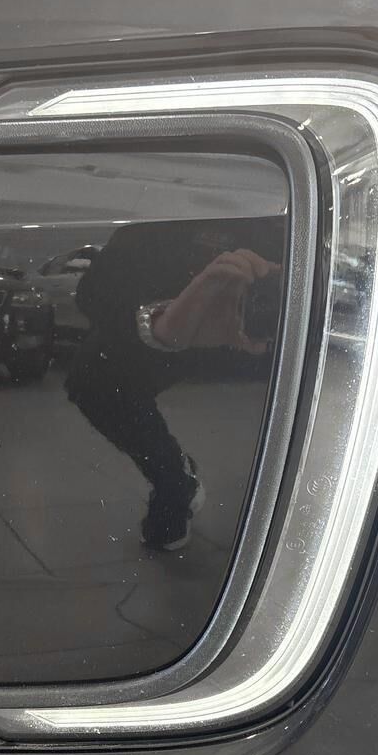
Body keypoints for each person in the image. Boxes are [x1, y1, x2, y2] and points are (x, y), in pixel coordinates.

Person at [64, 218, 282, 550]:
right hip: (164, 335)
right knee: (93, 376)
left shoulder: (280, 213)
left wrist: (290, 296)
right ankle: (173, 481)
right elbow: (94, 291)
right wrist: (159, 324)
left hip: (277, 346)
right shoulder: (148, 227)